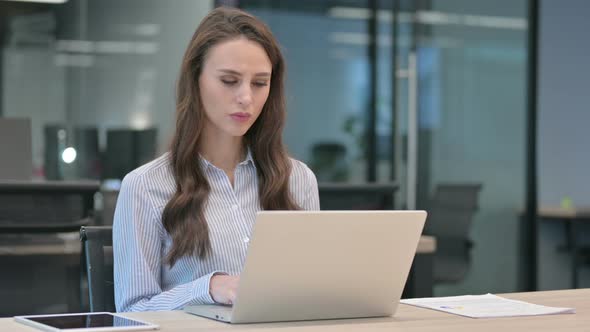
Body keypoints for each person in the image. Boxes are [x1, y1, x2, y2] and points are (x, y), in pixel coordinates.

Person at [113, 7, 319, 312]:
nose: (246, 97)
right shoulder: (144, 186)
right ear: (195, 81)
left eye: (260, 83)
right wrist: (207, 288)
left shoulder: (298, 179)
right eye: (229, 80)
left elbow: (313, 291)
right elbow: (131, 313)